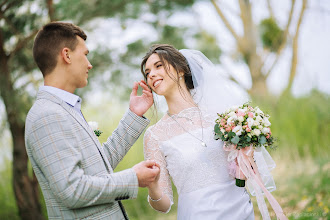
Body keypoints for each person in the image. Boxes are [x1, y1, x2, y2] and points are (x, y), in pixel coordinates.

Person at [25, 21, 160, 220]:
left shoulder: (64, 109)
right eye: (85, 54)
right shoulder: (47, 115)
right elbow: (73, 190)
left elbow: (99, 166)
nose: (90, 64)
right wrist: (133, 178)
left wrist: (134, 114)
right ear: (66, 55)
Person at [140, 44, 255, 219]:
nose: (152, 75)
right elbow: (163, 206)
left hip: (240, 211)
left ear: (180, 70)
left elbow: (244, 176)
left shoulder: (222, 116)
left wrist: (247, 158)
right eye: (147, 73)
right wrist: (153, 187)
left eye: (158, 66)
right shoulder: (155, 135)